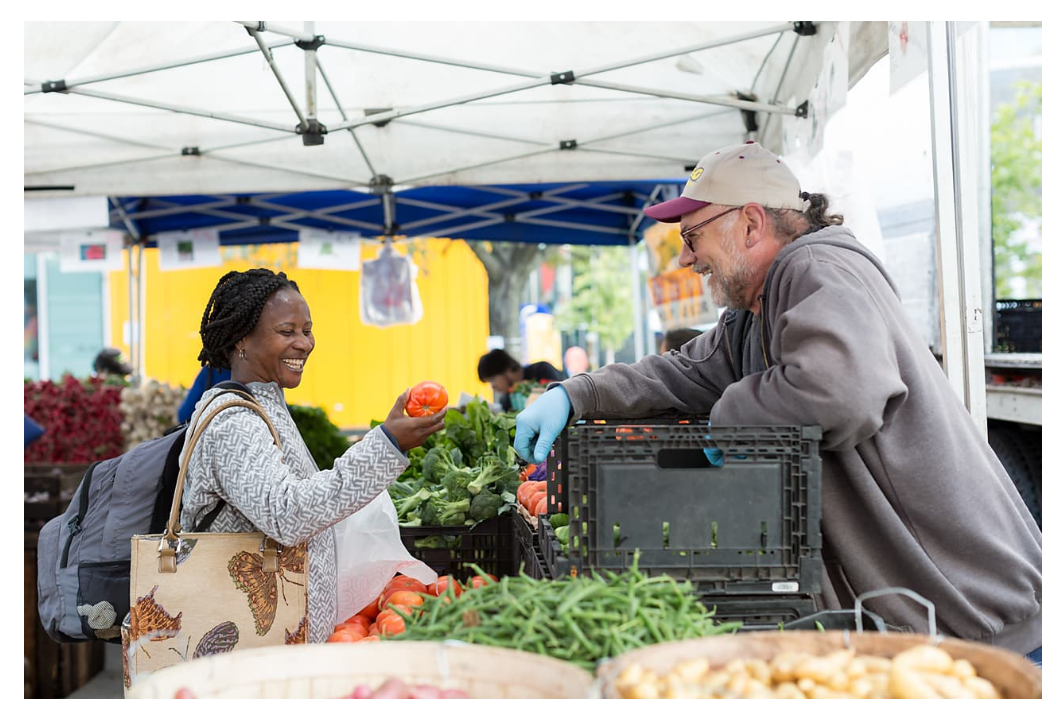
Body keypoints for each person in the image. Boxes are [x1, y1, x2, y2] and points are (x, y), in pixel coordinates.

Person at [512, 142, 1042, 660]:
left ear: (750, 223)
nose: (686, 257)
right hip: (923, 626)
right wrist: (576, 394)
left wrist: (727, 421)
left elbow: (840, 391)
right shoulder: (752, 315)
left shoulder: (814, 266)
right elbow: (682, 371)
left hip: (974, 622)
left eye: (692, 235)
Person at [178, 268, 446, 643]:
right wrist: (386, 443)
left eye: (307, 330)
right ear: (241, 339)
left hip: (275, 642)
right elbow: (287, 514)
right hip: (247, 650)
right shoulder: (234, 423)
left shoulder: (263, 404)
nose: (304, 343)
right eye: (287, 331)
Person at [477, 348, 566, 412]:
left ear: (507, 369)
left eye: (492, 380)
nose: (493, 386)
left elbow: (563, 395)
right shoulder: (506, 401)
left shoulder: (541, 370)